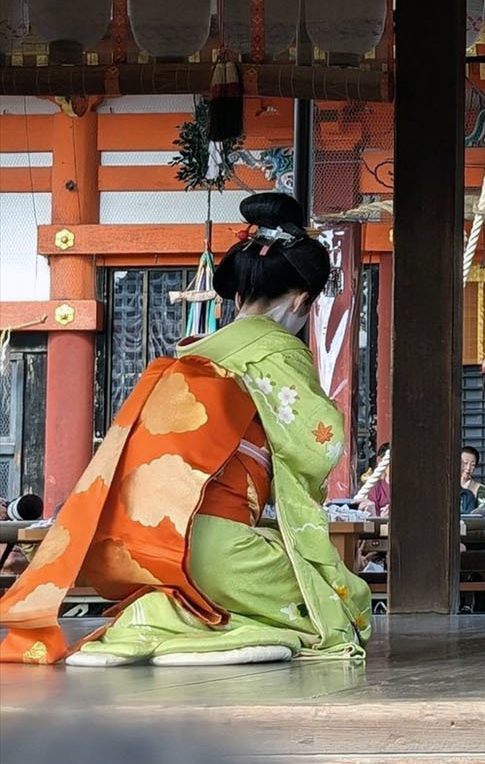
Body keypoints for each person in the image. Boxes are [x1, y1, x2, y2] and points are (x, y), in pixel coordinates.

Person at [0, 192, 371, 666]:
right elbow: (317, 441)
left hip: (146, 546)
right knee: (343, 606)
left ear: (238, 295)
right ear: (302, 300)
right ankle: (178, 624)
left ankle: (154, 611)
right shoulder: (278, 349)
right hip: (215, 548)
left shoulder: (193, 352)